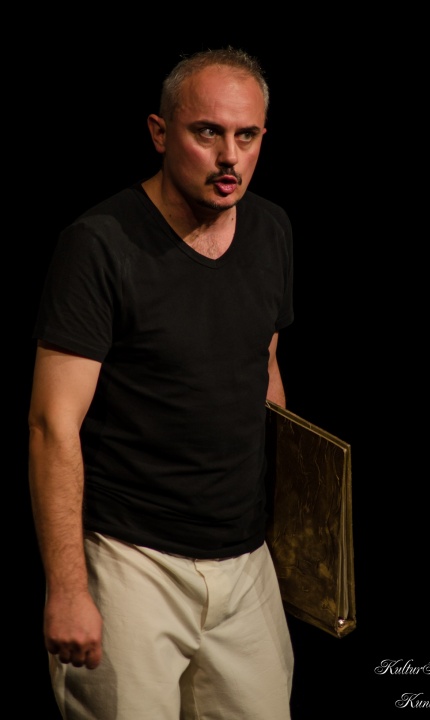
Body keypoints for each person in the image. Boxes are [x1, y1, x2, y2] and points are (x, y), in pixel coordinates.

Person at [28, 46, 295, 720]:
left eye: (246, 136)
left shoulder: (270, 229)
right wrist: (68, 588)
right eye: (207, 132)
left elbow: (263, 371)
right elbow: (52, 424)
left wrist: (291, 535)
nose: (229, 156)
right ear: (160, 132)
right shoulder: (99, 244)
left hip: (245, 564)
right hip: (130, 561)